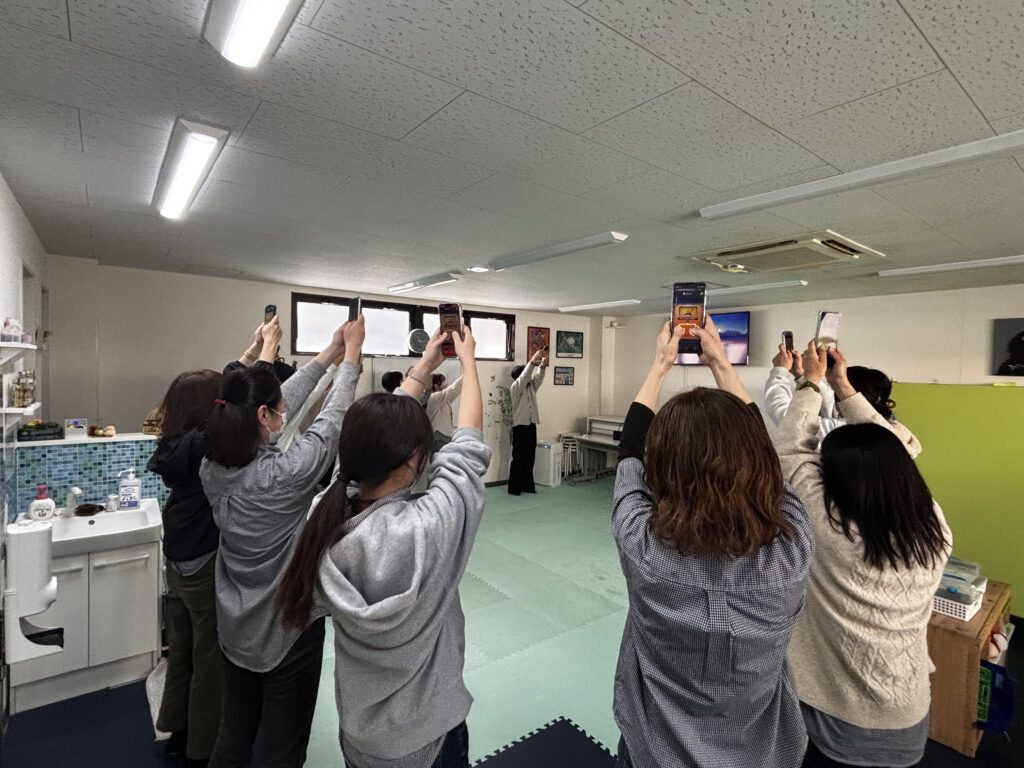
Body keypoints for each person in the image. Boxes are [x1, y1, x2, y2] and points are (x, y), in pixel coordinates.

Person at [274, 326, 490, 768]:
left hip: (360, 737)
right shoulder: (427, 528)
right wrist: (468, 362)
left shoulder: (324, 518)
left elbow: (380, 435)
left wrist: (424, 366)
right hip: (429, 737)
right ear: (414, 459)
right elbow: (468, 446)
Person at [612, 318, 814, 768]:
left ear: (660, 470)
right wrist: (720, 361)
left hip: (654, 751)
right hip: (763, 753)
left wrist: (660, 364)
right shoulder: (793, 549)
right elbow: (768, 457)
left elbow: (628, 453)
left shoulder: (641, 546)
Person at [775, 343, 951, 768]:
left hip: (833, 719)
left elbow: (790, 450)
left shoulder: (832, 530)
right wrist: (842, 387)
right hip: (907, 717)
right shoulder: (933, 531)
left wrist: (811, 382)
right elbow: (897, 451)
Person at [200, 315, 365, 768]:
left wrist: (330, 352)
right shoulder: (282, 476)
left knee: (233, 738)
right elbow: (330, 423)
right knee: (281, 752)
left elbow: (274, 404)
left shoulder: (210, 467)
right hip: (286, 632)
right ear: (261, 417)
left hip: (234, 625)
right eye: (274, 412)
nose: (282, 414)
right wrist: (352, 358)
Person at [147, 369, 224, 768]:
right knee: (208, 658)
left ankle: (177, 730)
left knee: (180, 652)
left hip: (177, 558)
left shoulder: (172, 444)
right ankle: (202, 748)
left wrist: (254, 351)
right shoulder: (205, 447)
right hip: (204, 560)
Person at [764, 343, 921, 457]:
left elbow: (788, 418)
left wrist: (780, 370)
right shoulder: (887, 428)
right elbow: (829, 401)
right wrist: (802, 374)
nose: (833, 393)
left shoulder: (847, 431)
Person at [507, 348, 547, 495]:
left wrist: (542, 365)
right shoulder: (515, 388)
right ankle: (514, 488)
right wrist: (531, 363)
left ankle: (527, 486)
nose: (529, 377)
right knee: (518, 458)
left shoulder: (531, 387)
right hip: (519, 427)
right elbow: (525, 377)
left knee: (530, 457)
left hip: (531, 425)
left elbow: (539, 378)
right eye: (525, 374)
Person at [426, 372, 462, 454]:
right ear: (436, 385)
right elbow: (453, 389)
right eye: (442, 381)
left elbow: (455, 391)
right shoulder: (435, 397)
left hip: (446, 436)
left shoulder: (444, 400)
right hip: (439, 436)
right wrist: (466, 374)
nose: (445, 383)